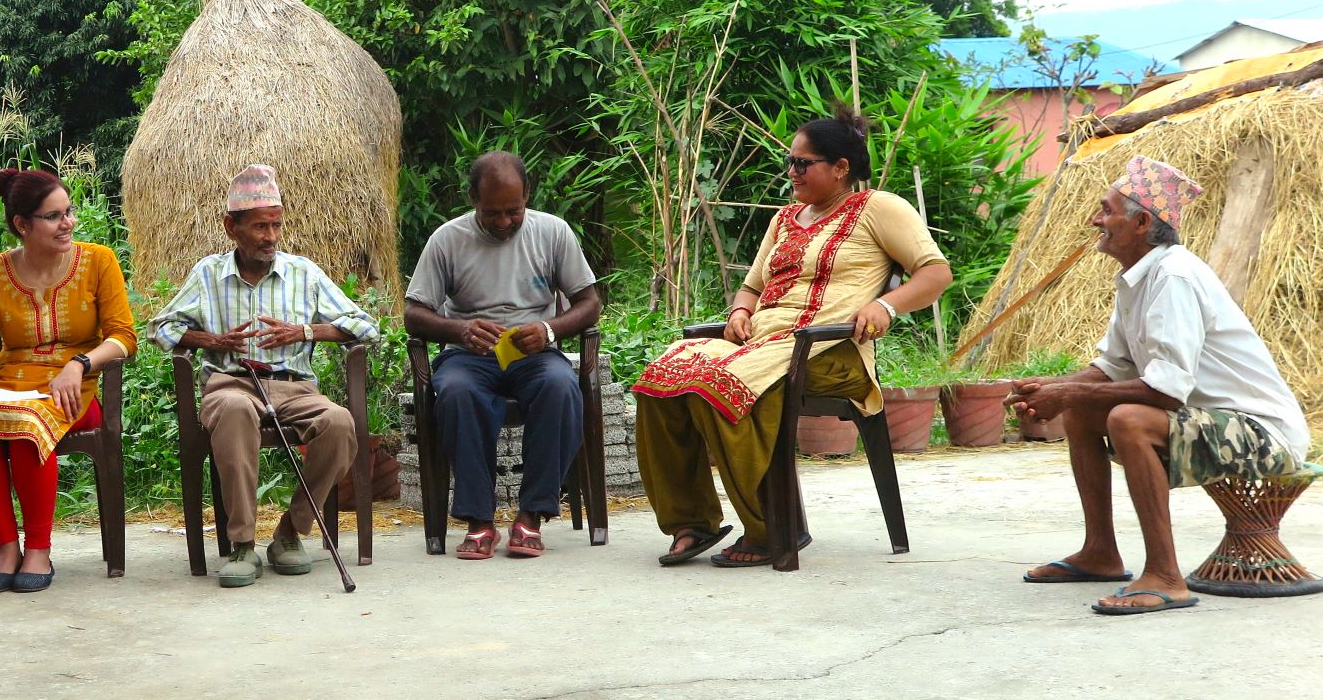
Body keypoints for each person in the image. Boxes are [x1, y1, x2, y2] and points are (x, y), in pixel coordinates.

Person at [632, 110, 952, 568]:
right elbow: (753, 286)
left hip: (829, 350)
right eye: (790, 161)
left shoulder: (879, 208)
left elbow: (936, 273)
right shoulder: (784, 219)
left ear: (841, 168)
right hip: (764, 344)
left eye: (803, 163)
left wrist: (884, 306)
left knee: (719, 384)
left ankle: (772, 527)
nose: (792, 172)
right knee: (662, 377)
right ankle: (692, 521)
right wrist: (742, 309)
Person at [1011, 156, 1309, 615]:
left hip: (1265, 433)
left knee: (1129, 419)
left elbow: (1166, 392)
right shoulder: (1140, 278)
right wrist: (1050, 389)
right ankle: (1100, 553)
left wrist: (1067, 392)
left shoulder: (1174, 277)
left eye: (1107, 211)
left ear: (1142, 222)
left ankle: (1166, 576)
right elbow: (1111, 367)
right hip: (1216, 421)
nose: (1097, 220)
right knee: (1085, 410)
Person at [150, 164, 379, 588]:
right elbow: (160, 329)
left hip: (294, 384)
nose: (271, 236)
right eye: (259, 227)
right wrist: (214, 341)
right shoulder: (208, 274)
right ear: (231, 227)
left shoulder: (303, 272)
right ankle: (241, 544)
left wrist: (307, 331)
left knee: (339, 422)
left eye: (276, 225)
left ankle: (290, 532)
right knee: (236, 409)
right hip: (230, 383)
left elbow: (366, 325)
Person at [0, 168, 136, 594]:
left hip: (74, 388)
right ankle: (6, 549)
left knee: (29, 421)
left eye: (68, 213)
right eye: (53, 216)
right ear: (22, 225)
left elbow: (123, 336)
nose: (67, 223)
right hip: (9, 380)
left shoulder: (99, 261)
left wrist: (81, 363)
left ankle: (39, 550)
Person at [404, 151, 600, 560]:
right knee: (456, 392)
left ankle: (531, 515)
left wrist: (548, 329)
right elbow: (413, 314)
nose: (505, 221)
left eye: (514, 211)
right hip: (469, 357)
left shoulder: (553, 232)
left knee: (561, 387)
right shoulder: (447, 239)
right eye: (492, 213)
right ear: (472, 198)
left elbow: (589, 303)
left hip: (535, 355)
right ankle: (479, 521)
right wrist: (459, 328)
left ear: (528, 194)